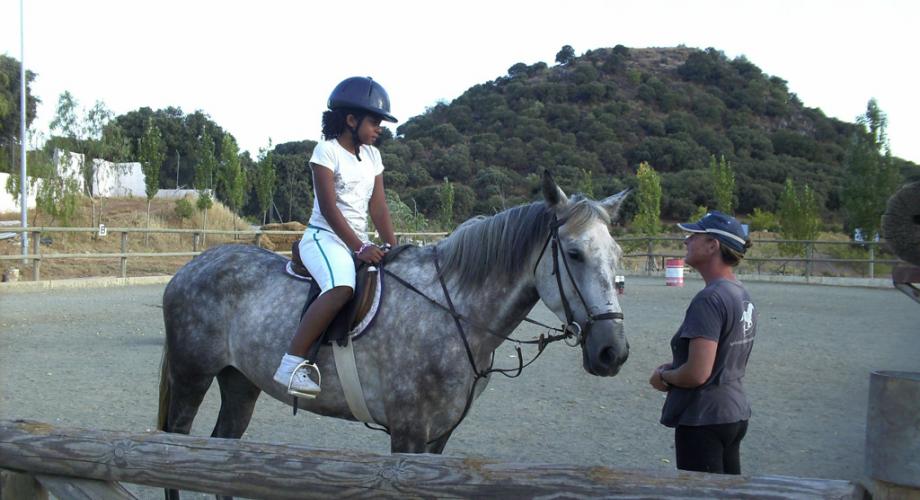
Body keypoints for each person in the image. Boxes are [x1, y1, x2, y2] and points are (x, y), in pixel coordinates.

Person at [273, 76, 399, 398]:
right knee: (341, 286)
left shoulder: (372, 157)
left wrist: (395, 247)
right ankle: (291, 363)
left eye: (381, 123)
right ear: (351, 119)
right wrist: (360, 247)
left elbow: (379, 207)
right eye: (374, 122)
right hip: (324, 237)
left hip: (359, 241)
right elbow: (329, 209)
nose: (379, 128)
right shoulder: (326, 152)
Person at [648, 210, 756, 475]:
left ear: (712, 245)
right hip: (734, 412)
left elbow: (698, 373)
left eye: (693, 235)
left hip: (704, 418)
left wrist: (664, 376)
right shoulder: (740, 292)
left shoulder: (709, 299)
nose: (686, 241)